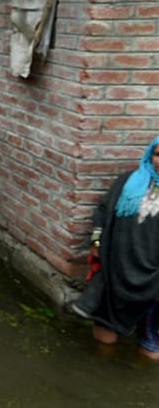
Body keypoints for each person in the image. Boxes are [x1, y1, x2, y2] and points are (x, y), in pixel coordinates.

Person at [72, 136, 159, 361]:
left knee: (151, 350)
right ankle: (99, 373)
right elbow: (103, 211)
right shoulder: (128, 182)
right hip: (116, 267)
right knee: (104, 338)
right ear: (150, 155)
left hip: (154, 276)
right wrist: (97, 243)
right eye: (158, 155)